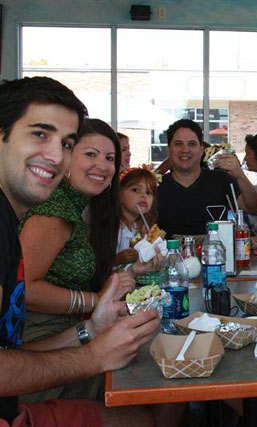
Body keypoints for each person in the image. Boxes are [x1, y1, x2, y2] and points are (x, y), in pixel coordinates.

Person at [0, 76, 160, 426]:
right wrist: (92, 318)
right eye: (40, 134)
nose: (55, 155)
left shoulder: (69, 208)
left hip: (49, 347)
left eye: (66, 143)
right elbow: (27, 294)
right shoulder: (51, 212)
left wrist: (93, 323)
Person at [157, 119, 257, 238]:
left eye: (192, 144)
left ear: (202, 149)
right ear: (168, 150)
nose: (185, 150)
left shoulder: (221, 180)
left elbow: (255, 209)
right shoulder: (155, 187)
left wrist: (239, 174)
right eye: (178, 144)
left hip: (216, 253)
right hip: (168, 255)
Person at [115, 165, 162, 265]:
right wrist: (116, 259)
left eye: (149, 192)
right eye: (135, 190)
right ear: (118, 193)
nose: (144, 195)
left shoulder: (142, 228)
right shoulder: (112, 227)